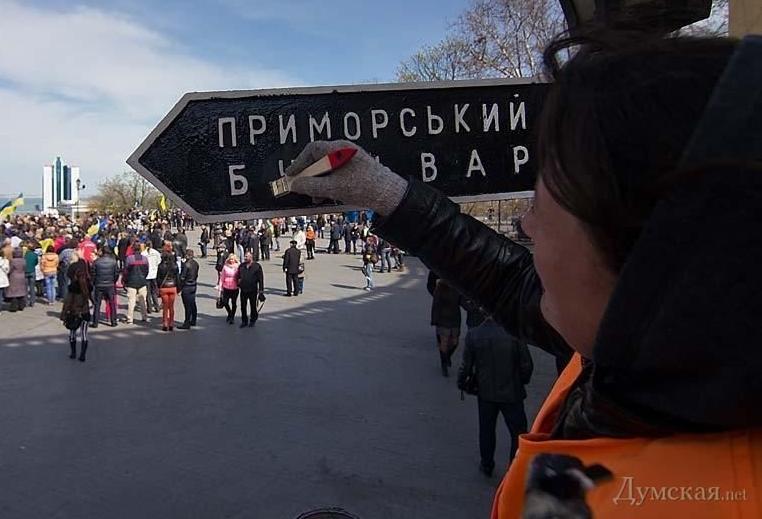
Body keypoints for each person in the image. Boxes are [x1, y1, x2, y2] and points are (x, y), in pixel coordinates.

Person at [284, 34, 761, 517]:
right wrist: (390, 195)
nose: (525, 225)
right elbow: (515, 287)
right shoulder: (668, 349)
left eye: (544, 201)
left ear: (650, 253)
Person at [458, 317, 533, 478]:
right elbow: (527, 364)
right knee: (518, 432)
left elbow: (466, 365)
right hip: (512, 393)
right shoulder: (514, 334)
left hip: (486, 393)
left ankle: (487, 464)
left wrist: (461, 382)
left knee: (486, 429)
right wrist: (522, 380)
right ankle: (514, 468)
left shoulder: (474, 334)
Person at [61, 252, 91, 361]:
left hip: (74, 312)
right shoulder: (88, 286)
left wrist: (63, 315)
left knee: (72, 333)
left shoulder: (72, 288)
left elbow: (67, 303)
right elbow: (92, 299)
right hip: (85, 312)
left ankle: (73, 353)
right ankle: (82, 355)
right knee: (84, 334)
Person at [431, 277, 462, 377]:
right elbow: (435, 304)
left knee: (455, 342)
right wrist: (434, 319)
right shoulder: (439, 288)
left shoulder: (458, 288)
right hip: (443, 318)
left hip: (455, 318)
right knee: (444, 343)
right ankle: (444, 364)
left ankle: (447, 356)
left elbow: (463, 301)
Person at [91, 246, 118, 327]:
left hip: (99, 284)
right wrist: (113, 281)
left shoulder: (96, 262)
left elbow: (93, 274)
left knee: (97, 303)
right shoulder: (113, 261)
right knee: (112, 303)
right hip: (110, 284)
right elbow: (116, 273)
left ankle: (95, 322)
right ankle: (113, 321)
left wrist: (94, 282)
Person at [237, 251, 265, 328]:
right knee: (243, 306)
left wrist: (261, 290)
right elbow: (238, 276)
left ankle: (253, 319)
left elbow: (261, 279)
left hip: (253, 289)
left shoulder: (257, 266)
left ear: (251, 257)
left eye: (247, 256)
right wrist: (238, 284)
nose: (245, 258)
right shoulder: (241, 266)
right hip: (243, 289)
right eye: (245, 256)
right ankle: (244, 321)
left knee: (253, 306)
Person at [123, 243, 148, 324]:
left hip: (132, 282)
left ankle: (130, 319)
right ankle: (144, 317)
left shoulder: (129, 258)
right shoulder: (144, 258)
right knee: (142, 300)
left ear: (133, 249)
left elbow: (126, 271)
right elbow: (147, 270)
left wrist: (125, 280)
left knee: (131, 301)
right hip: (142, 282)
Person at [156, 251, 179, 331]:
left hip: (164, 287)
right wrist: (178, 288)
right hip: (172, 287)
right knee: (171, 307)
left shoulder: (161, 266)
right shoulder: (175, 266)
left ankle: (165, 324)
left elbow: (158, 278)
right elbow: (177, 278)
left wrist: (159, 287)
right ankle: (171, 324)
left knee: (165, 307)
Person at [177, 249, 199, 330]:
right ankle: (193, 319)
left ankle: (187, 322)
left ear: (186, 255)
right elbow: (196, 274)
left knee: (187, 305)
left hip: (186, 286)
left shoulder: (186, 265)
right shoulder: (196, 263)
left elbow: (182, 277)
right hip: (193, 285)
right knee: (193, 303)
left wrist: (179, 288)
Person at [217, 253, 240, 324]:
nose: (231, 260)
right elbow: (222, 277)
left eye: (232, 259)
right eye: (230, 259)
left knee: (234, 303)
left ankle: (232, 317)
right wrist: (220, 287)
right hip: (226, 287)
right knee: (225, 302)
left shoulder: (238, 267)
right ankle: (229, 313)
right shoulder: (225, 266)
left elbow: (241, 276)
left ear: (235, 260)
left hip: (235, 287)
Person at [6, 248, 27, 312]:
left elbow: (10, 269)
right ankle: (21, 306)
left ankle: (13, 307)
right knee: (21, 292)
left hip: (14, 277)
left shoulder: (13, 261)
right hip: (22, 276)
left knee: (14, 293)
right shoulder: (24, 260)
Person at [145, 242, 162, 314]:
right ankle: (157, 307)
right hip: (154, 274)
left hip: (147, 275)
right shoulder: (156, 252)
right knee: (154, 292)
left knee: (148, 293)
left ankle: (149, 309)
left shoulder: (143, 253)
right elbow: (159, 261)